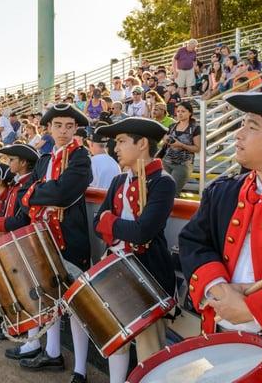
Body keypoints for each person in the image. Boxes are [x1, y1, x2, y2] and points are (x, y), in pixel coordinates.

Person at [179, 92, 262, 383]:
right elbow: (193, 241)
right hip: (222, 339)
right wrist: (217, 288)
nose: (238, 133)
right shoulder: (224, 191)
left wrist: (256, 309)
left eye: (251, 126)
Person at [94, 117, 176, 383]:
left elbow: (144, 232)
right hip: (116, 265)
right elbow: (97, 223)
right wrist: (113, 224)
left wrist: (110, 222)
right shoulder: (119, 180)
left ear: (142, 144)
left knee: (148, 344)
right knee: (116, 334)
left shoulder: (163, 182)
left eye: (120, 141)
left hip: (149, 270)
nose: (114, 147)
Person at [17, 104, 92, 383]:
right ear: (49, 128)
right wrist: (39, 192)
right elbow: (25, 192)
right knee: (48, 297)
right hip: (42, 235)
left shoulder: (81, 158)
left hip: (69, 240)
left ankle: (81, 369)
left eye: (69, 126)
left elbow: (62, 193)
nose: (63, 131)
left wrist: (37, 192)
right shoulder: (44, 159)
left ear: (75, 129)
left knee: (76, 306)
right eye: (58, 125)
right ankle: (51, 353)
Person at [161, 101, 201, 196]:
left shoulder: (195, 128)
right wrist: (165, 139)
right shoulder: (172, 126)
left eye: (183, 111)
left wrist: (181, 145)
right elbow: (165, 141)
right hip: (166, 162)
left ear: (190, 113)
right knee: (162, 191)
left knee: (172, 193)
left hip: (182, 165)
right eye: (178, 111)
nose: (180, 113)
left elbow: (197, 148)